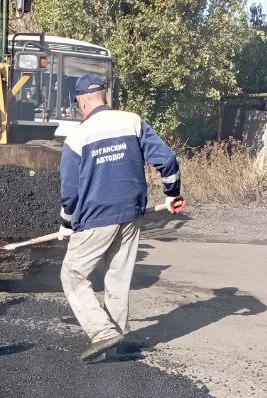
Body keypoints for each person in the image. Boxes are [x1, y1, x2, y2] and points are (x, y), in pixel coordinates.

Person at [57, 74, 183, 362]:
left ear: (83, 101)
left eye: (79, 105)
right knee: (117, 275)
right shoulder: (132, 121)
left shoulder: (78, 136)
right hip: (131, 212)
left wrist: (66, 222)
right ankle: (117, 339)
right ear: (104, 95)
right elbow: (167, 159)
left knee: (72, 274)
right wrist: (172, 192)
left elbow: (71, 191)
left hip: (96, 216)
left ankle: (102, 333)